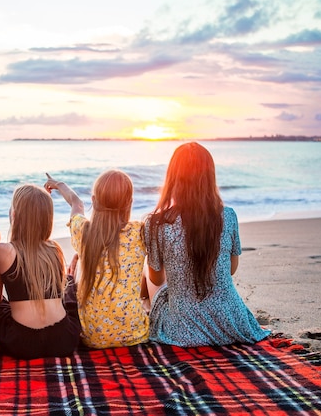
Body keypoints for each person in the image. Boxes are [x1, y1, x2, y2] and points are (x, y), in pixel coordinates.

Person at [143, 142, 270, 347]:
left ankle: (141, 311)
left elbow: (156, 279)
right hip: (232, 323)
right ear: (210, 178)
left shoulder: (157, 223)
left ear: (173, 178)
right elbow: (230, 270)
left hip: (183, 328)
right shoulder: (227, 216)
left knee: (149, 268)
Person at [44, 170, 149, 349]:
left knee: (77, 261)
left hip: (92, 338)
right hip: (134, 334)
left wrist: (59, 184)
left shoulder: (83, 231)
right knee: (143, 272)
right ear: (130, 203)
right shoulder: (140, 233)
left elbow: (76, 203)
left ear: (94, 201)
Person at [0, 184, 81, 359]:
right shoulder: (55, 249)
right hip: (63, 340)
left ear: (14, 215)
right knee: (69, 286)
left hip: (21, 343)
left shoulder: (2, 251)